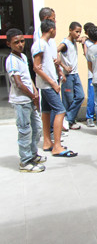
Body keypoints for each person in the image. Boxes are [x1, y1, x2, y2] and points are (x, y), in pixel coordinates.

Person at [32, 19, 77, 157]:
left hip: (45, 83)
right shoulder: (40, 44)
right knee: (60, 110)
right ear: (51, 29)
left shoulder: (44, 44)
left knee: (46, 111)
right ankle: (57, 145)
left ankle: (47, 142)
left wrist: (58, 71)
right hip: (47, 84)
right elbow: (36, 67)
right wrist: (52, 83)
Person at [6, 28, 45, 172]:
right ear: (9, 43)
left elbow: (27, 79)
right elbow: (18, 83)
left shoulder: (22, 57)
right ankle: (25, 161)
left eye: (22, 41)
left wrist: (35, 91)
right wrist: (32, 95)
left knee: (36, 128)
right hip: (21, 101)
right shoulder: (11, 61)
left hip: (29, 98)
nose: (20, 44)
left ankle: (33, 154)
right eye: (16, 42)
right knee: (24, 131)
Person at [58, 22, 85, 130]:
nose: (78, 34)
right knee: (68, 99)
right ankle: (69, 120)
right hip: (67, 75)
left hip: (75, 74)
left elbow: (83, 38)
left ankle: (68, 119)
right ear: (70, 30)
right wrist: (63, 66)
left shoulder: (73, 41)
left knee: (80, 96)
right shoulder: (64, 44)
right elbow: (55, 51)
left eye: (80, 32)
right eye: (76, 32)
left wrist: (82, 38)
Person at [81, 22, 96, 127]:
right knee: (92, 96)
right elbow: (87, 56)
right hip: (92, 74)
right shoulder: (86, 43)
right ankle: (89, 117)